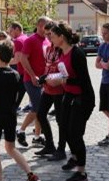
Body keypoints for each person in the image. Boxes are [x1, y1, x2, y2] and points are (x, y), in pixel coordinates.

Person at [0, 40, 43, 181]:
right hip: (11, 115)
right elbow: (17, 97)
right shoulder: (16, 75)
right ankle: (31, 175)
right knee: (11, 148)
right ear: (11, 57)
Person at [46, 22, 95, 181]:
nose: (50, 38)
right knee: (64, 129)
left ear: (62, 37)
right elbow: (62, 73)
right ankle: (74, 158)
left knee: (75, 134)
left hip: (82, 98)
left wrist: (62, 79)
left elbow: (82, 80)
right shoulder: (61, 52)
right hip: (69, 95)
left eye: (53, 35)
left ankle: (81, 173)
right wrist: (48, 78)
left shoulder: (77, 53)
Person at [17, 18, 52, 149]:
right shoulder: (30, 40)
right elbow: (23, 59)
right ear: (38, 25)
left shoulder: (48, 40)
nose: (48, 28)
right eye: (45, 25)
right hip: (30, 80)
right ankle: (20, 131)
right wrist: (32, 75)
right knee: (38, 107)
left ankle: (37, 137)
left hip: (43, 80)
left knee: (40, 110)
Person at [36, 21, 68, 161]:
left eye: (50, 34)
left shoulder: (62, 49)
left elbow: (63, 71)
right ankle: (50, 145)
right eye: (46, 34)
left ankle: (61, 150)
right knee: (41, 114)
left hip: (60, 89)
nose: (48, 37)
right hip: (48, 88)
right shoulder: (48, 48)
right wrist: (43, 77)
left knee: (61, 120)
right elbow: (48, 66)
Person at [7, 23, 28, 121]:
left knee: (14, 102)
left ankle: (8, 125)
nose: (9, 33)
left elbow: (17, 59)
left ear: (17, 29)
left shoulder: (19, 41)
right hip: (27, 73)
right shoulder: (26, 38)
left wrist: (3, 62)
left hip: (24, 74)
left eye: (11, 31)